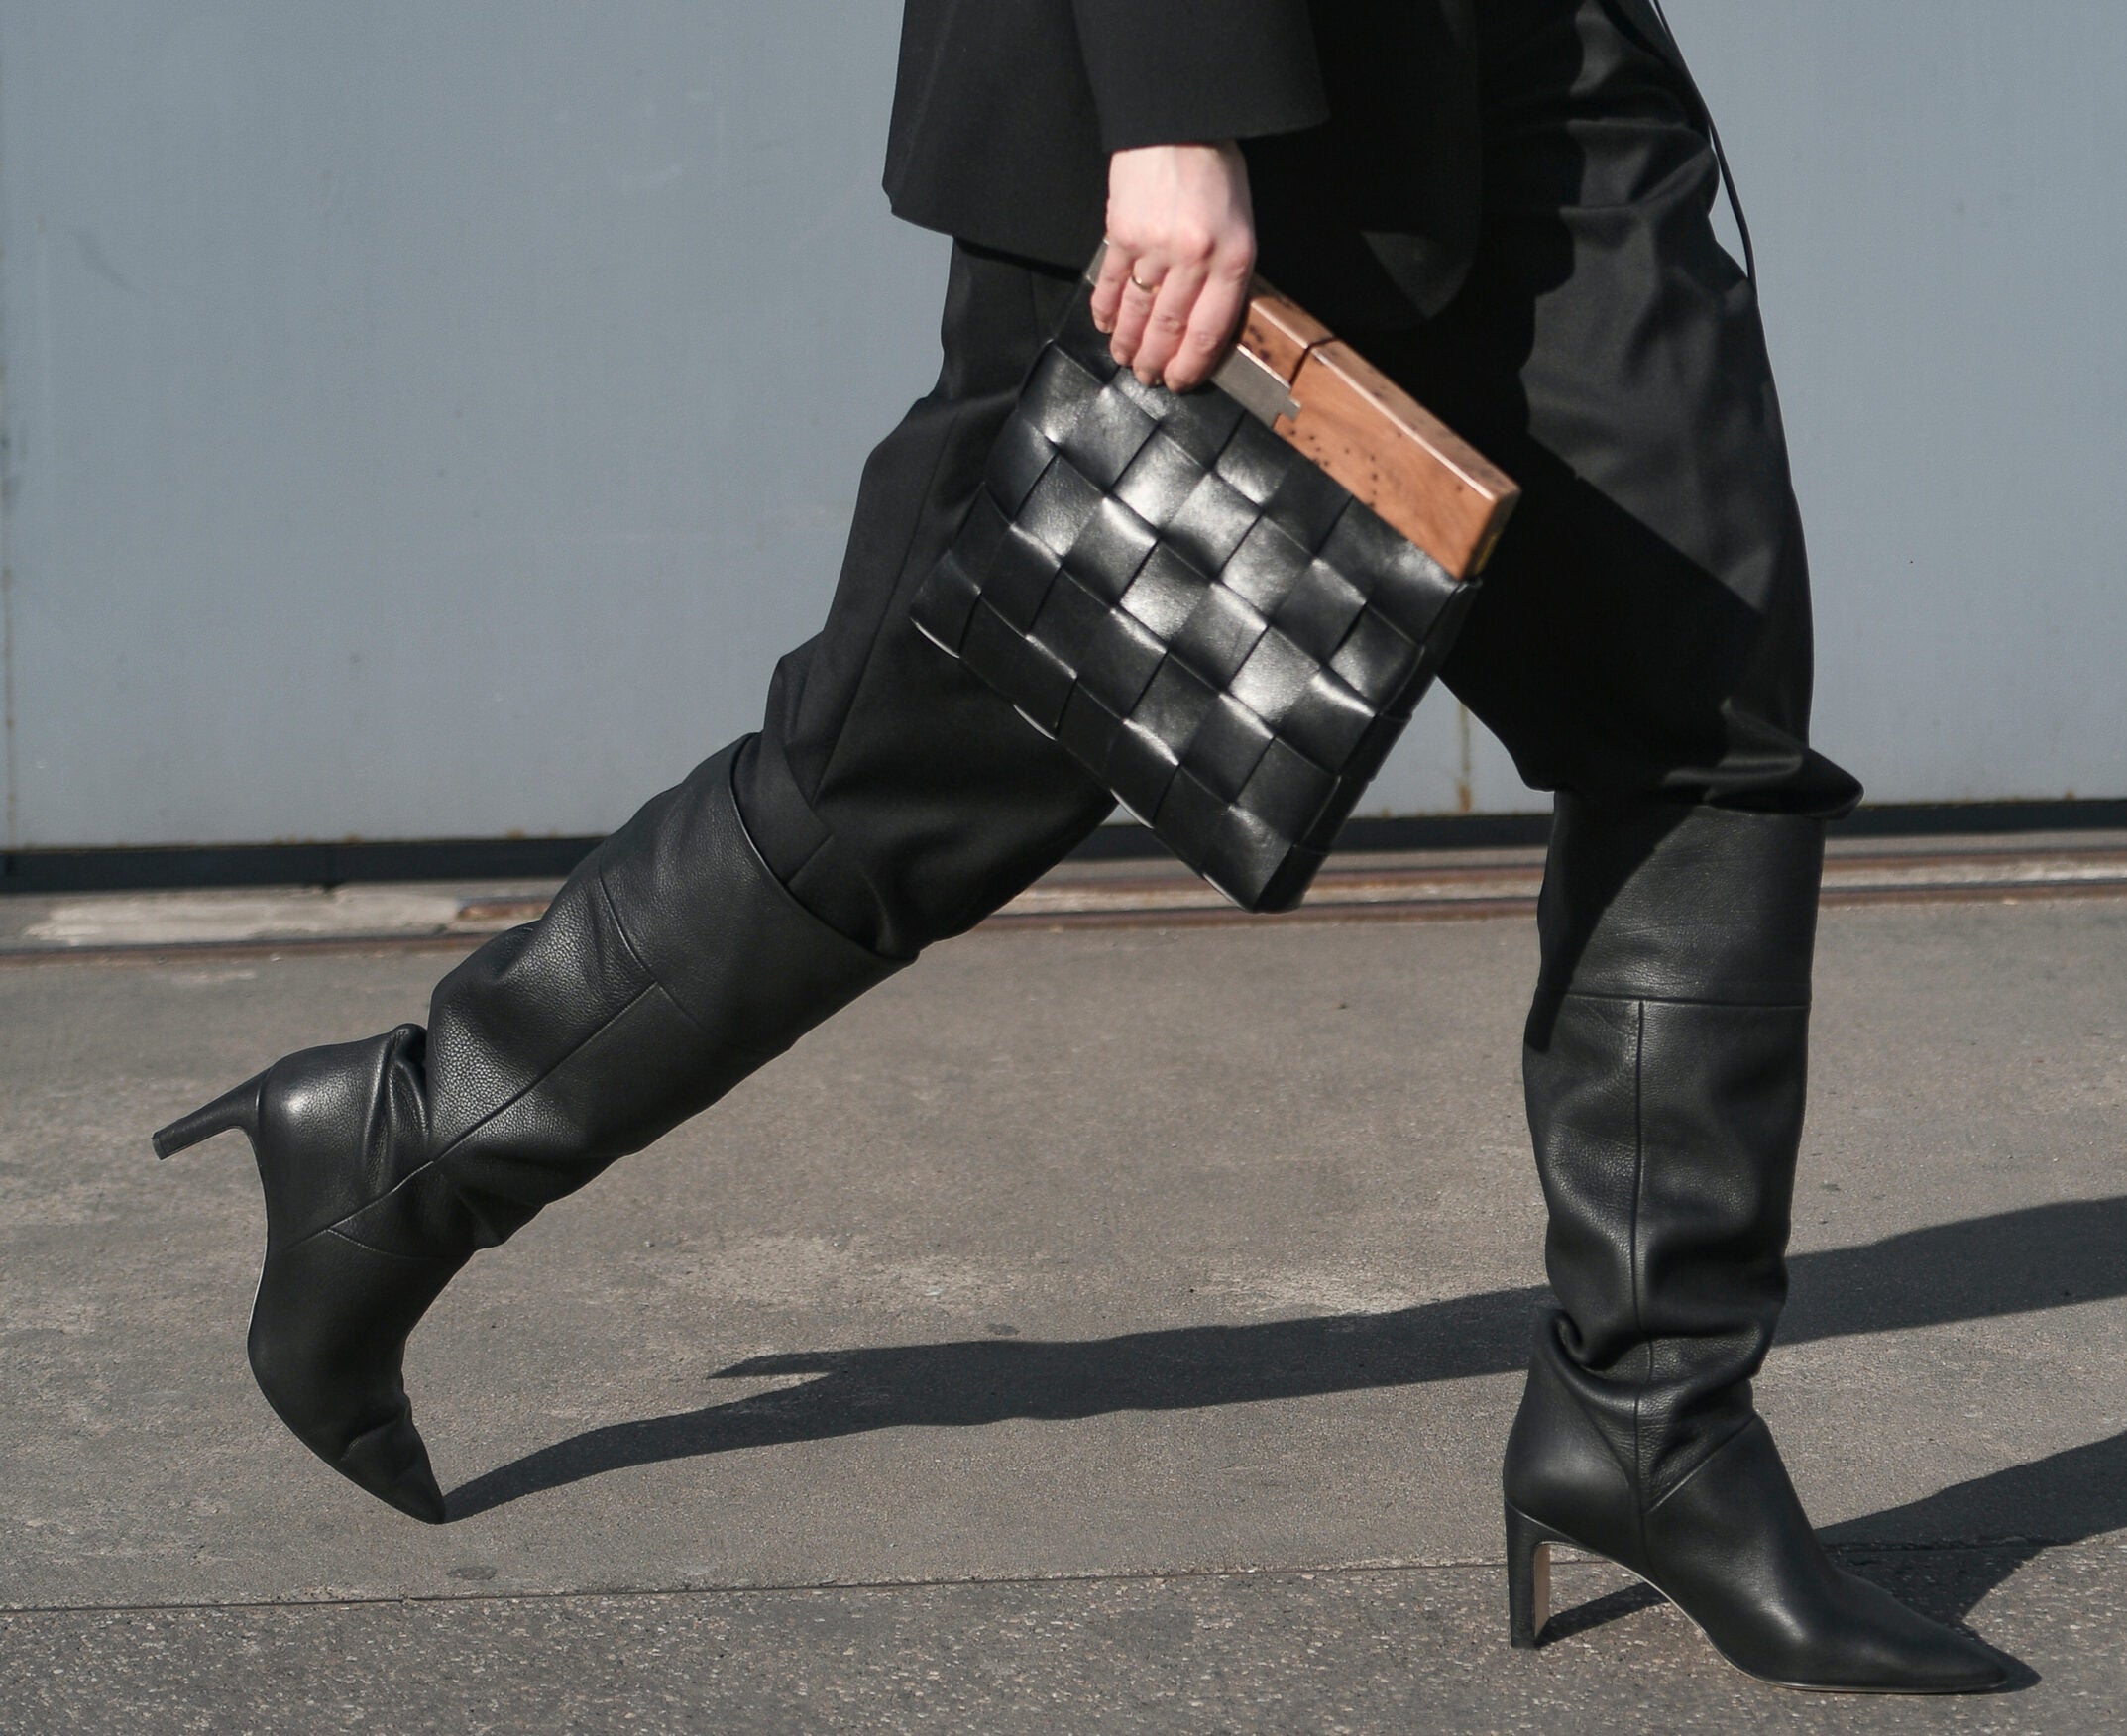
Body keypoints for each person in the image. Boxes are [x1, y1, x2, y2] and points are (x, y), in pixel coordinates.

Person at [155, 0, 2007, 1695]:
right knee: (917, 770)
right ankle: (406, 1145)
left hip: (1532, 61)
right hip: (1226, 86)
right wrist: (1175, 104)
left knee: (1704, 730)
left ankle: (1654, 1422)